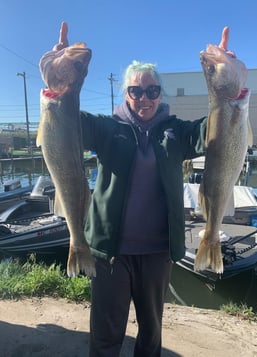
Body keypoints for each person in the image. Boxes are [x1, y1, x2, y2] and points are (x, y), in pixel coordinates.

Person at [50, 23, 231, 356]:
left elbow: (214, 131)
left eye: (151, 90)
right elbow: (67, 121)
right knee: (105, 335)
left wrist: (224, 86)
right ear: (126, 94)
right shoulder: (107, 128)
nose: (143, 98)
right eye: (135, 91)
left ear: (160, 93)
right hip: (109, 253)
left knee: (151, 334)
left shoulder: (176, 131)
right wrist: (66, 77)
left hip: (157, 253)